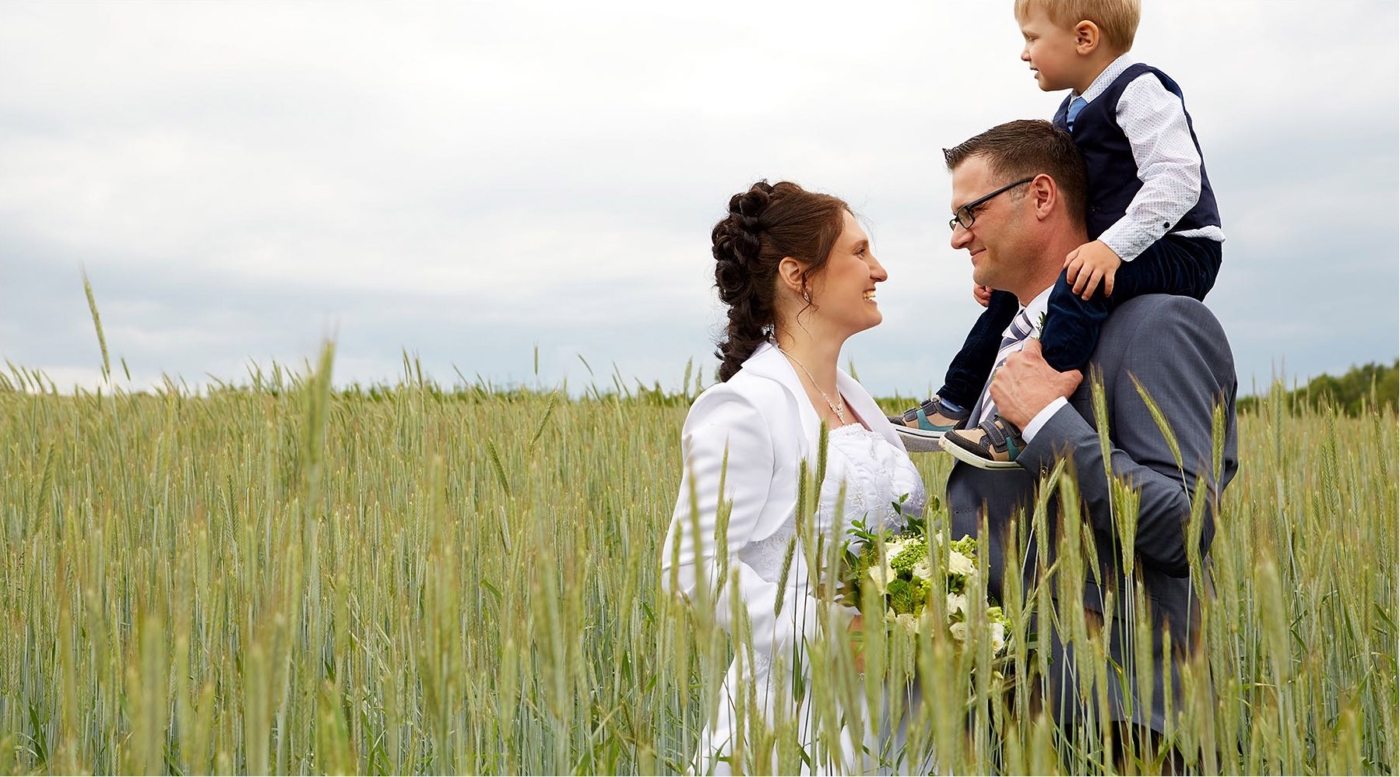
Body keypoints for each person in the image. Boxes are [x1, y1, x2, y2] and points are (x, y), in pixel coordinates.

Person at [935, 119, 1238, 767]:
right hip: (1017, 725)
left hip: (1122, 728)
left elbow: (1185, 526)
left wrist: (1047, 421)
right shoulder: (1006, 343)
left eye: (970, 213)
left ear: (1042, 196)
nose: (959, 236)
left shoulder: (1160, 324)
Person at [661, 181, 926, 774]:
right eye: (859, 251)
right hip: (796, 720)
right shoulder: (745, 406)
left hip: (902, 720)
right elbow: (690, 569)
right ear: (797, 274)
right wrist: (838, 635)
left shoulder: (859, 404)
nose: (879, 270)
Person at [896, 0, 1225, 470]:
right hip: (1121, 245)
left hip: (1181, 245)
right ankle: (955, 401)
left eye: (1032, 38)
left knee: (1078, 281)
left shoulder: (1140, 90)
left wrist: (1110, 247)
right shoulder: (1069, 112)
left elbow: (1177, 180)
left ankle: (1027, 415)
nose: (1024, 53)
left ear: (1084, 38)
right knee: (1008, 297)